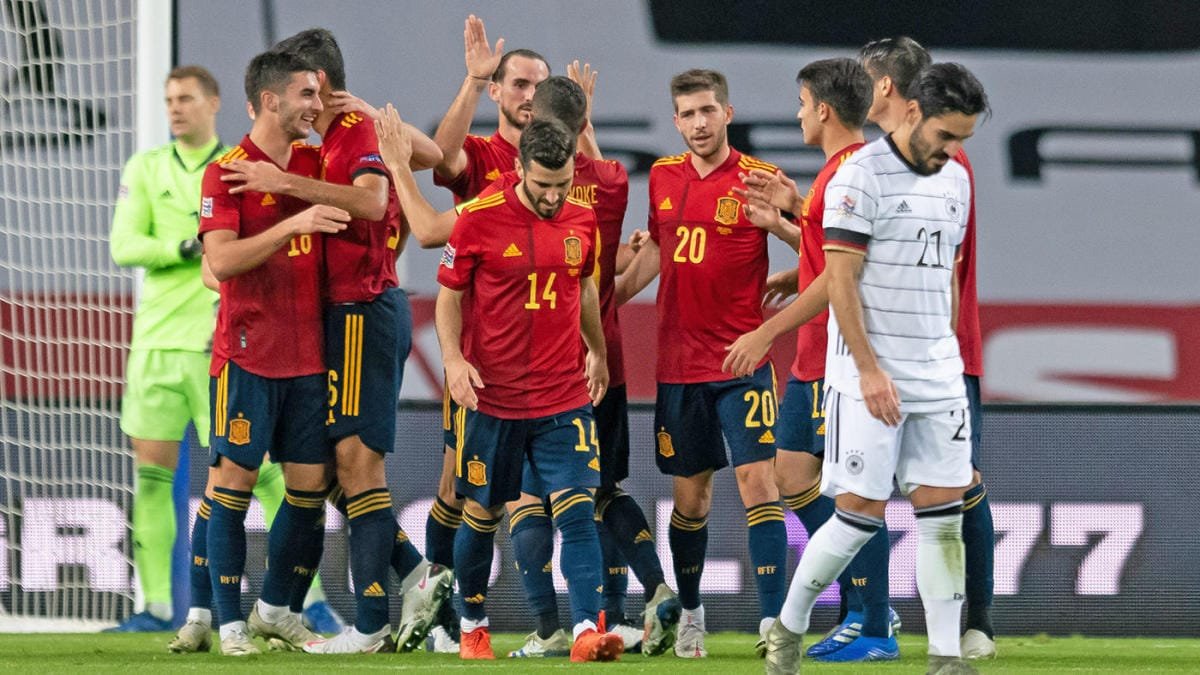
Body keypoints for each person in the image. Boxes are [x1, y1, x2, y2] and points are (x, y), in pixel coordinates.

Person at [214, 29, 453, 653]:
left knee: (355, 468)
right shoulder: (333, 139)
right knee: (318, 476)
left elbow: (373, 203)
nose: (305, 103)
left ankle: (373, 623)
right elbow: (432, 155)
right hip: (333, 321)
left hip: (360, 314)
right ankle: (289, 603)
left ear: (321, 86)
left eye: (307, 88)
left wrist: (290, 182)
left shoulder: (352, 132)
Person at [763, 62, 990, 675]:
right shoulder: (860, 175)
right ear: (913, 112)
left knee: (941, 519)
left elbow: (945, 276)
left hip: (935, 375)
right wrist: (867, 370)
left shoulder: (956, 180)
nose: (954, 151)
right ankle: (788, 627)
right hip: (867, 376)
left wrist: (944, 354)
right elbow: (839, 281)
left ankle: (945, 657)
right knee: (856, 518)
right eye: (946, 135)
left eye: (963, 139)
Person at [109, 65, 339, 639]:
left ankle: (300, 602)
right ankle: (162, 605)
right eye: (168, 99)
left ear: (215, 104)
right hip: (164, 341)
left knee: (263, 480)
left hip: (234, 340)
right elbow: (124, 244)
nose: (175, 108)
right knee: (163, 478)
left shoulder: (266, 164)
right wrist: (186, 247)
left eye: (185, 98)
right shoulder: (153, 168)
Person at [723, 57, 902, 663]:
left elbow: (840, 275)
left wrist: (765, 332)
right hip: (813, 356)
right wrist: (791, 228)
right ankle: (865, 603)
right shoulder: (837, 172)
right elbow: (830, 253)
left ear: (823, 109)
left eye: (802, 104)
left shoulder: (852, 171)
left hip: (838, 355)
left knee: (853, 496)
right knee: (794, 476)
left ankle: (872, 616)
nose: (798, 114)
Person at [435, 118, 622, 663]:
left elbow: (584, 287)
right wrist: (453, 360)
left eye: (562, 184)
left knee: (577, 511)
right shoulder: (477, 218)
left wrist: (597, 351)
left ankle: (586, 630)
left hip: (563, 394)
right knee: (482, 514)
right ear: (518, 169)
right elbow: (448, 297)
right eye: (543, 184)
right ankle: (473, 625)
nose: (553, 195)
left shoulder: (582, 218)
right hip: (493, 397)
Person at [616, 69, 788, 659]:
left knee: (758, 483)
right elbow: (657, 252)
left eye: (708, 110)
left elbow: (818, 248)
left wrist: (781, 227)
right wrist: (607, 302)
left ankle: (774, 624)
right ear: (676, 120)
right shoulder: (664, 177)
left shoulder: (761, 179)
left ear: (728, 113)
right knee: (692, 501)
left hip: (742, 361)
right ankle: (690, 612)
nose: (699, 123)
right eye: (688, 114)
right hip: (679, 365)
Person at [197, 50, 350, 656]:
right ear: (269, 100)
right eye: (306, 95)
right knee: (232, 488)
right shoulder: (226, 172)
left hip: (309, 359)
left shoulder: (315, 164)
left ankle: (275, 610)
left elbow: (370, 194)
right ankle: (228, 623)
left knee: (310, 492)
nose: (317, 105)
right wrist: (293, 224)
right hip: (247, 356)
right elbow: (220, 262)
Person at [858, 37, 997, 661]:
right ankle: (872, 617)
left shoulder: (943, 160)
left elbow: (939, 268)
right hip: (890, 353)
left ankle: (977, 623)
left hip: (938, 350)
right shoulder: (885, 158)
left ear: (886, 86)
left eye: (867, 78)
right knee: (861, 489)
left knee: (958, 483)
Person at [423, 15, 552, 652]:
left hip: (547, 359)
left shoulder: (559, 163)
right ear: (499, 92)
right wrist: (471, 81)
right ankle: (438, 609)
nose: (530, 96)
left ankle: (553, 626)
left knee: (531, 494)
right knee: (460, 490)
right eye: (519, 84)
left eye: (540, 86)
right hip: (479, 356)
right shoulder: (481, 156)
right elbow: (441, 158)